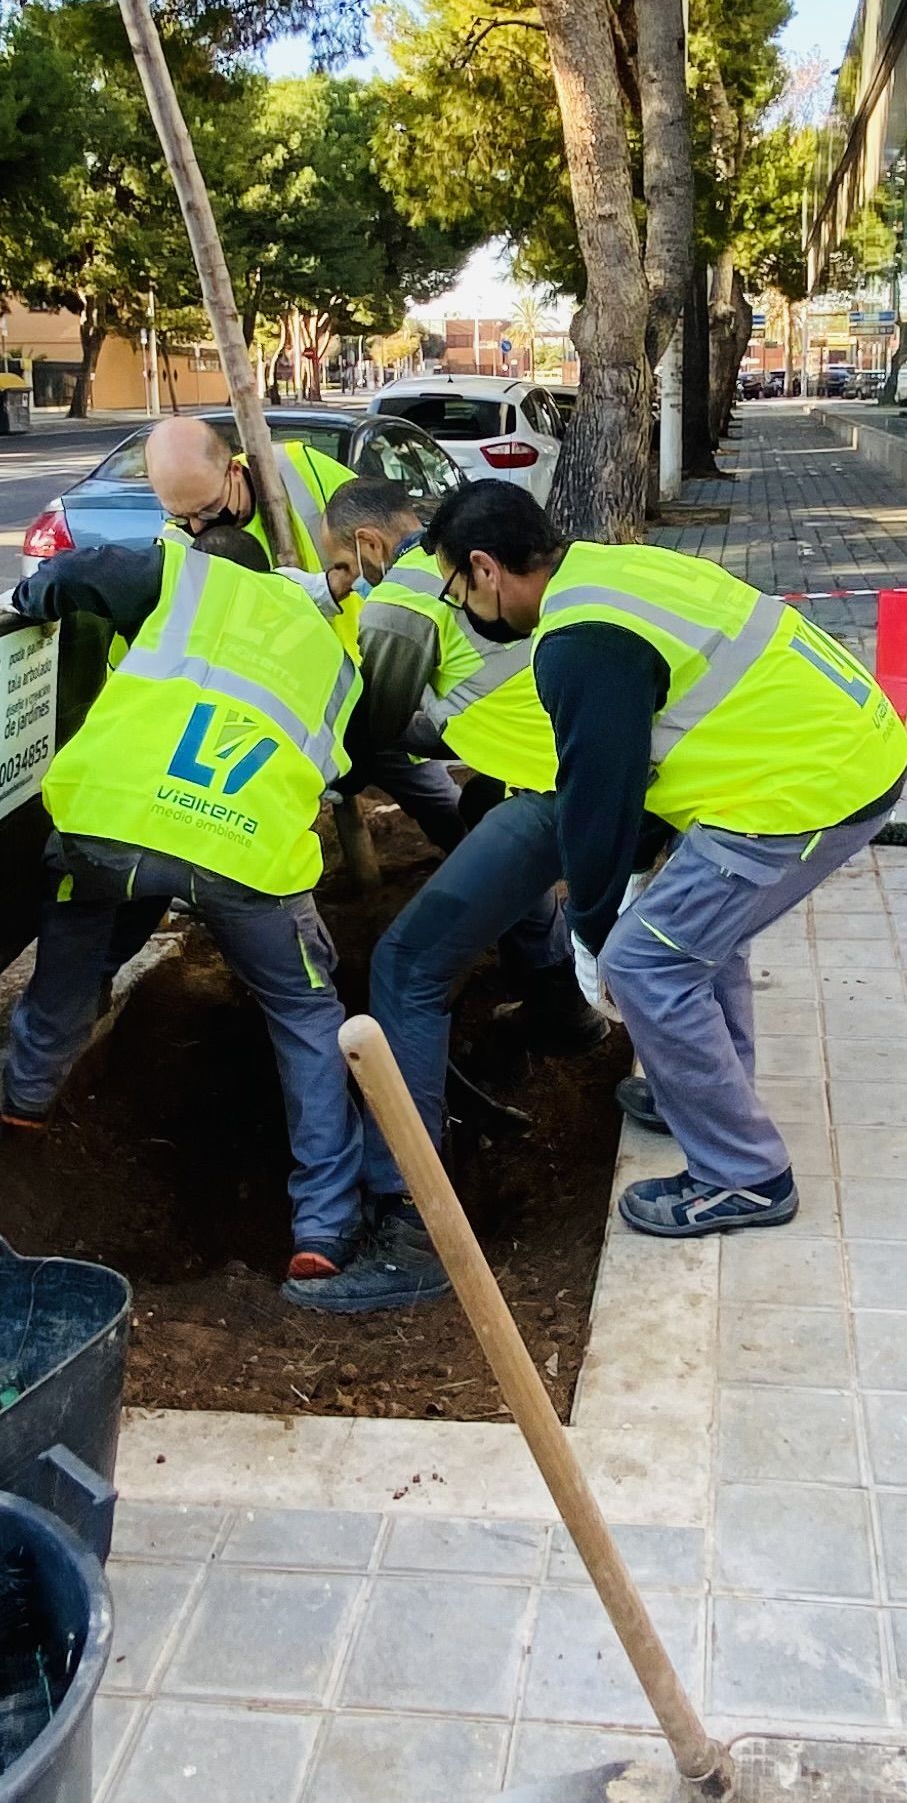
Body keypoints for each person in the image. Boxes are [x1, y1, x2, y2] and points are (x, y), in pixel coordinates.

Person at [0, 419, 440, 1313]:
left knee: (72, 961)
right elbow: (361, 754)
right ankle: (323, 1232)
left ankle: (25, 1108)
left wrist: (24, 598)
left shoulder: (178, 576)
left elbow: (73, 577)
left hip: (103, 824)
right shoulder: (337, 645)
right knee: (307, 1017)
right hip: (242, 853)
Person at [420, 479, 907, 1236]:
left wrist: (591, 930)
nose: (465, 611)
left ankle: (744, 1175)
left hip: (808, 790)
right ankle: (703, 1089)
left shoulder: (577, 641)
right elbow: (642, 763)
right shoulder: (609, 570)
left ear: (485, 567)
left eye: (458, 591)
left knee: (647, 963)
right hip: (819, 756)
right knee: (695, 939)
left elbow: (601, 795)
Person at [318, 479, 594, 1258]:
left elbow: (372, 725)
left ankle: (411, 1223)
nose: (351, 584)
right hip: (564, 768)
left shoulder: (404, 596)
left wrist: (322, 756)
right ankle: (564, 1012)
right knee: (480, 820)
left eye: (348, 568)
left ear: (370, 545)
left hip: (558, 785)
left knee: (407, 965)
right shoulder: (520, 570)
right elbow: (471, 701)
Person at [147, 409, 353, 572]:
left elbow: (372, 529)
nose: (197, 527)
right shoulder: (174, 546)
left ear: (234, 471)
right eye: (179, 516)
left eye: (208, 509)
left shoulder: (298, 466)